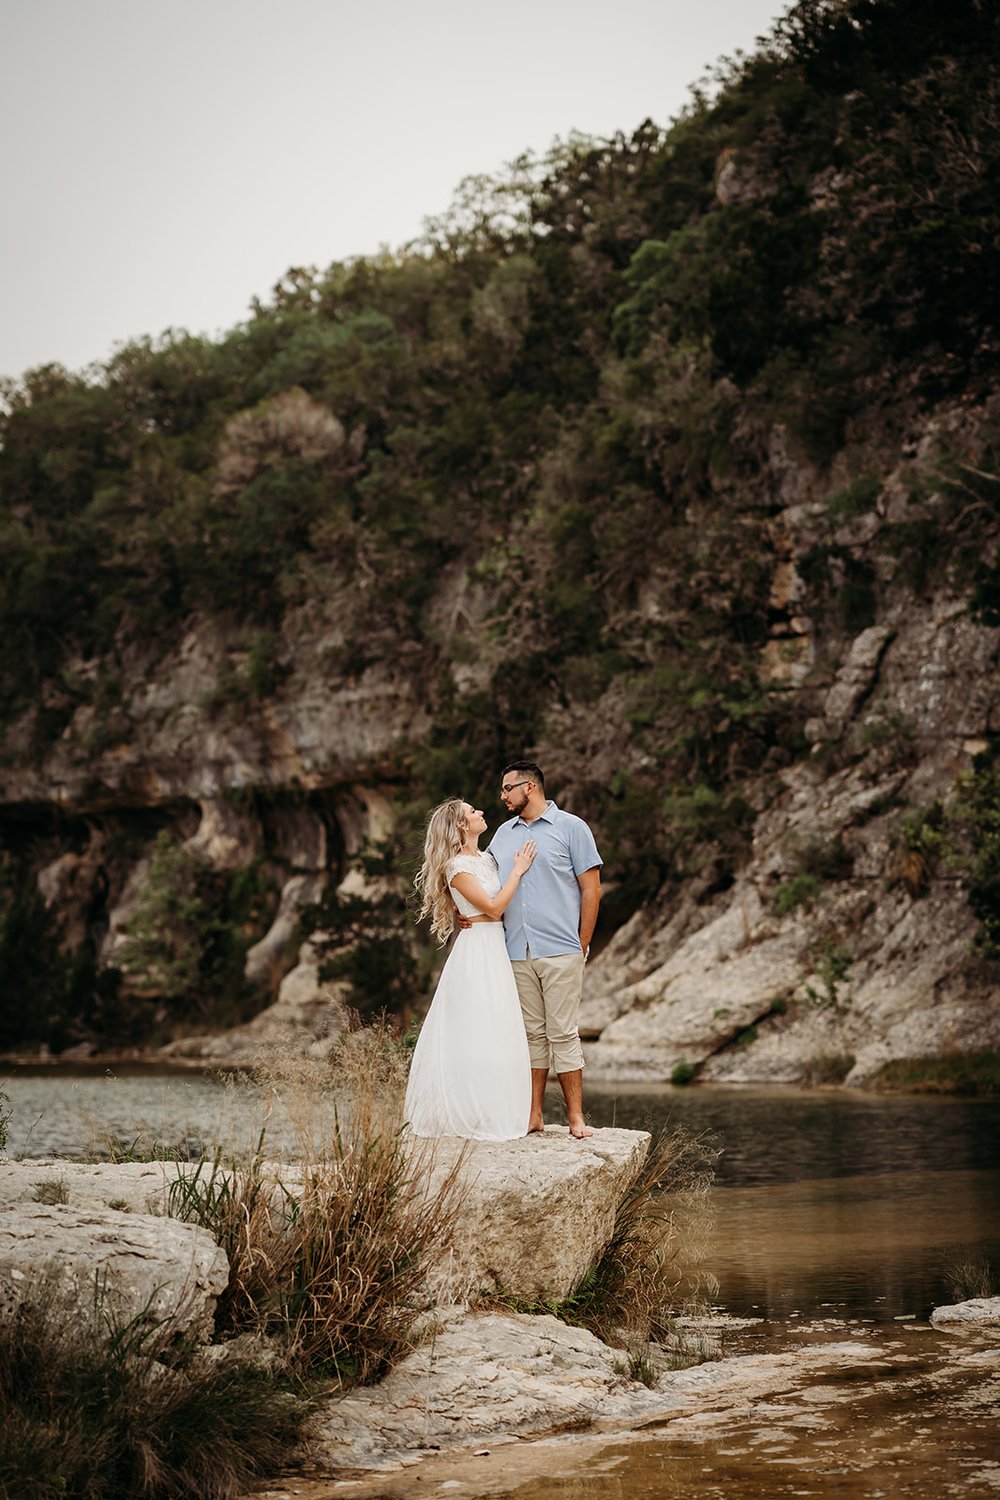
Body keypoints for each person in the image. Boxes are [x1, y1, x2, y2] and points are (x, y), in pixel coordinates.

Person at [403, 797, 537, 1140]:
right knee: (476, 1026)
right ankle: (468, 1111)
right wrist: (519, 871)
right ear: (461, 825)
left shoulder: (485, 859)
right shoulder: (457, 868)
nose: (480, 812)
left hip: (496, 946)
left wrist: (461, 911)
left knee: (497, 1026)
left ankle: (494, 1106)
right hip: (477, 949)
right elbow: (492, 909)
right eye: (472, 812)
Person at [487, 762, 602, 1139]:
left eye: (508, 789)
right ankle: (533, 1115)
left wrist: (582, 942)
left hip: (561, 949)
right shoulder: (502, 835)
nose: (502, 796)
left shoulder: (572, 828)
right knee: (531, 1035)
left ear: (530, 786)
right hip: (516, 950)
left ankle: (576, 1119)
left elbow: (591, 889)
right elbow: (487, 885)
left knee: (563, 1033)